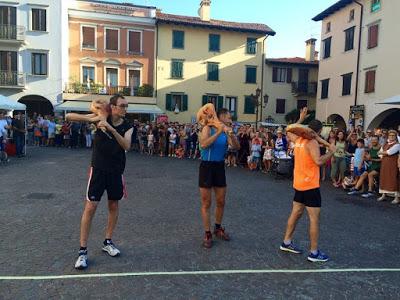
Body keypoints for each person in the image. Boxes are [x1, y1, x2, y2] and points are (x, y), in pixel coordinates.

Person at [70, 94, 133, 270]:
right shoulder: (100, 117)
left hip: (116, 171)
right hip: (98, 170)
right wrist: (97, 118)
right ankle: (82, 251)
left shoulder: (128, 126)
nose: (125, 109)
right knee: (90, 207)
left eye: (126, 106)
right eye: (122, 105)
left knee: (113, 206)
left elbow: (127, 146)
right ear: (113, 107)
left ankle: (108, 241)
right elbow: (69, 117)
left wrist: (111, 129)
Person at [280, 119, 336, 262]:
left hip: (299, 184)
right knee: (314, 219)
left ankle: (286, 242)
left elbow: (289, 130)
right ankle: (314, 253)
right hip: (310, 185)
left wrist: (300, 119)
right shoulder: (312, 142)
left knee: (296, 213)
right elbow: (318, 161)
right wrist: (331, 152)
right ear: (318, 131)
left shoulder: (298, 139)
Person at [199, 108, 240, 248]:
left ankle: (217, 228)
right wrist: (218, 131)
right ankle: (207, 233)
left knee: (221, 201)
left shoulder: (226, 130)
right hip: (206, 166)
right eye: (229, 118)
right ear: (221, 117)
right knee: (206, 203)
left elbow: (236, 146)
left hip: (219, 167)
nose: (231, 120)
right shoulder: (207, 128)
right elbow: (204, 144)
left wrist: (231, 134)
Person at [377, 130, 399, 204]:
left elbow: (390, 152)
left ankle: (396, 197)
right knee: (384, 178)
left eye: (393, 135)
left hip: (393, 164)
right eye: (390, 135)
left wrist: (382, 153)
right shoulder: (385, 144)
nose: (391, 137)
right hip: (384, 164)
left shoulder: (397, 144)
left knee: (393, 179)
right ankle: (384, 195)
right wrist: (382, 153)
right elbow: (379, 154)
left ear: (396, 137)